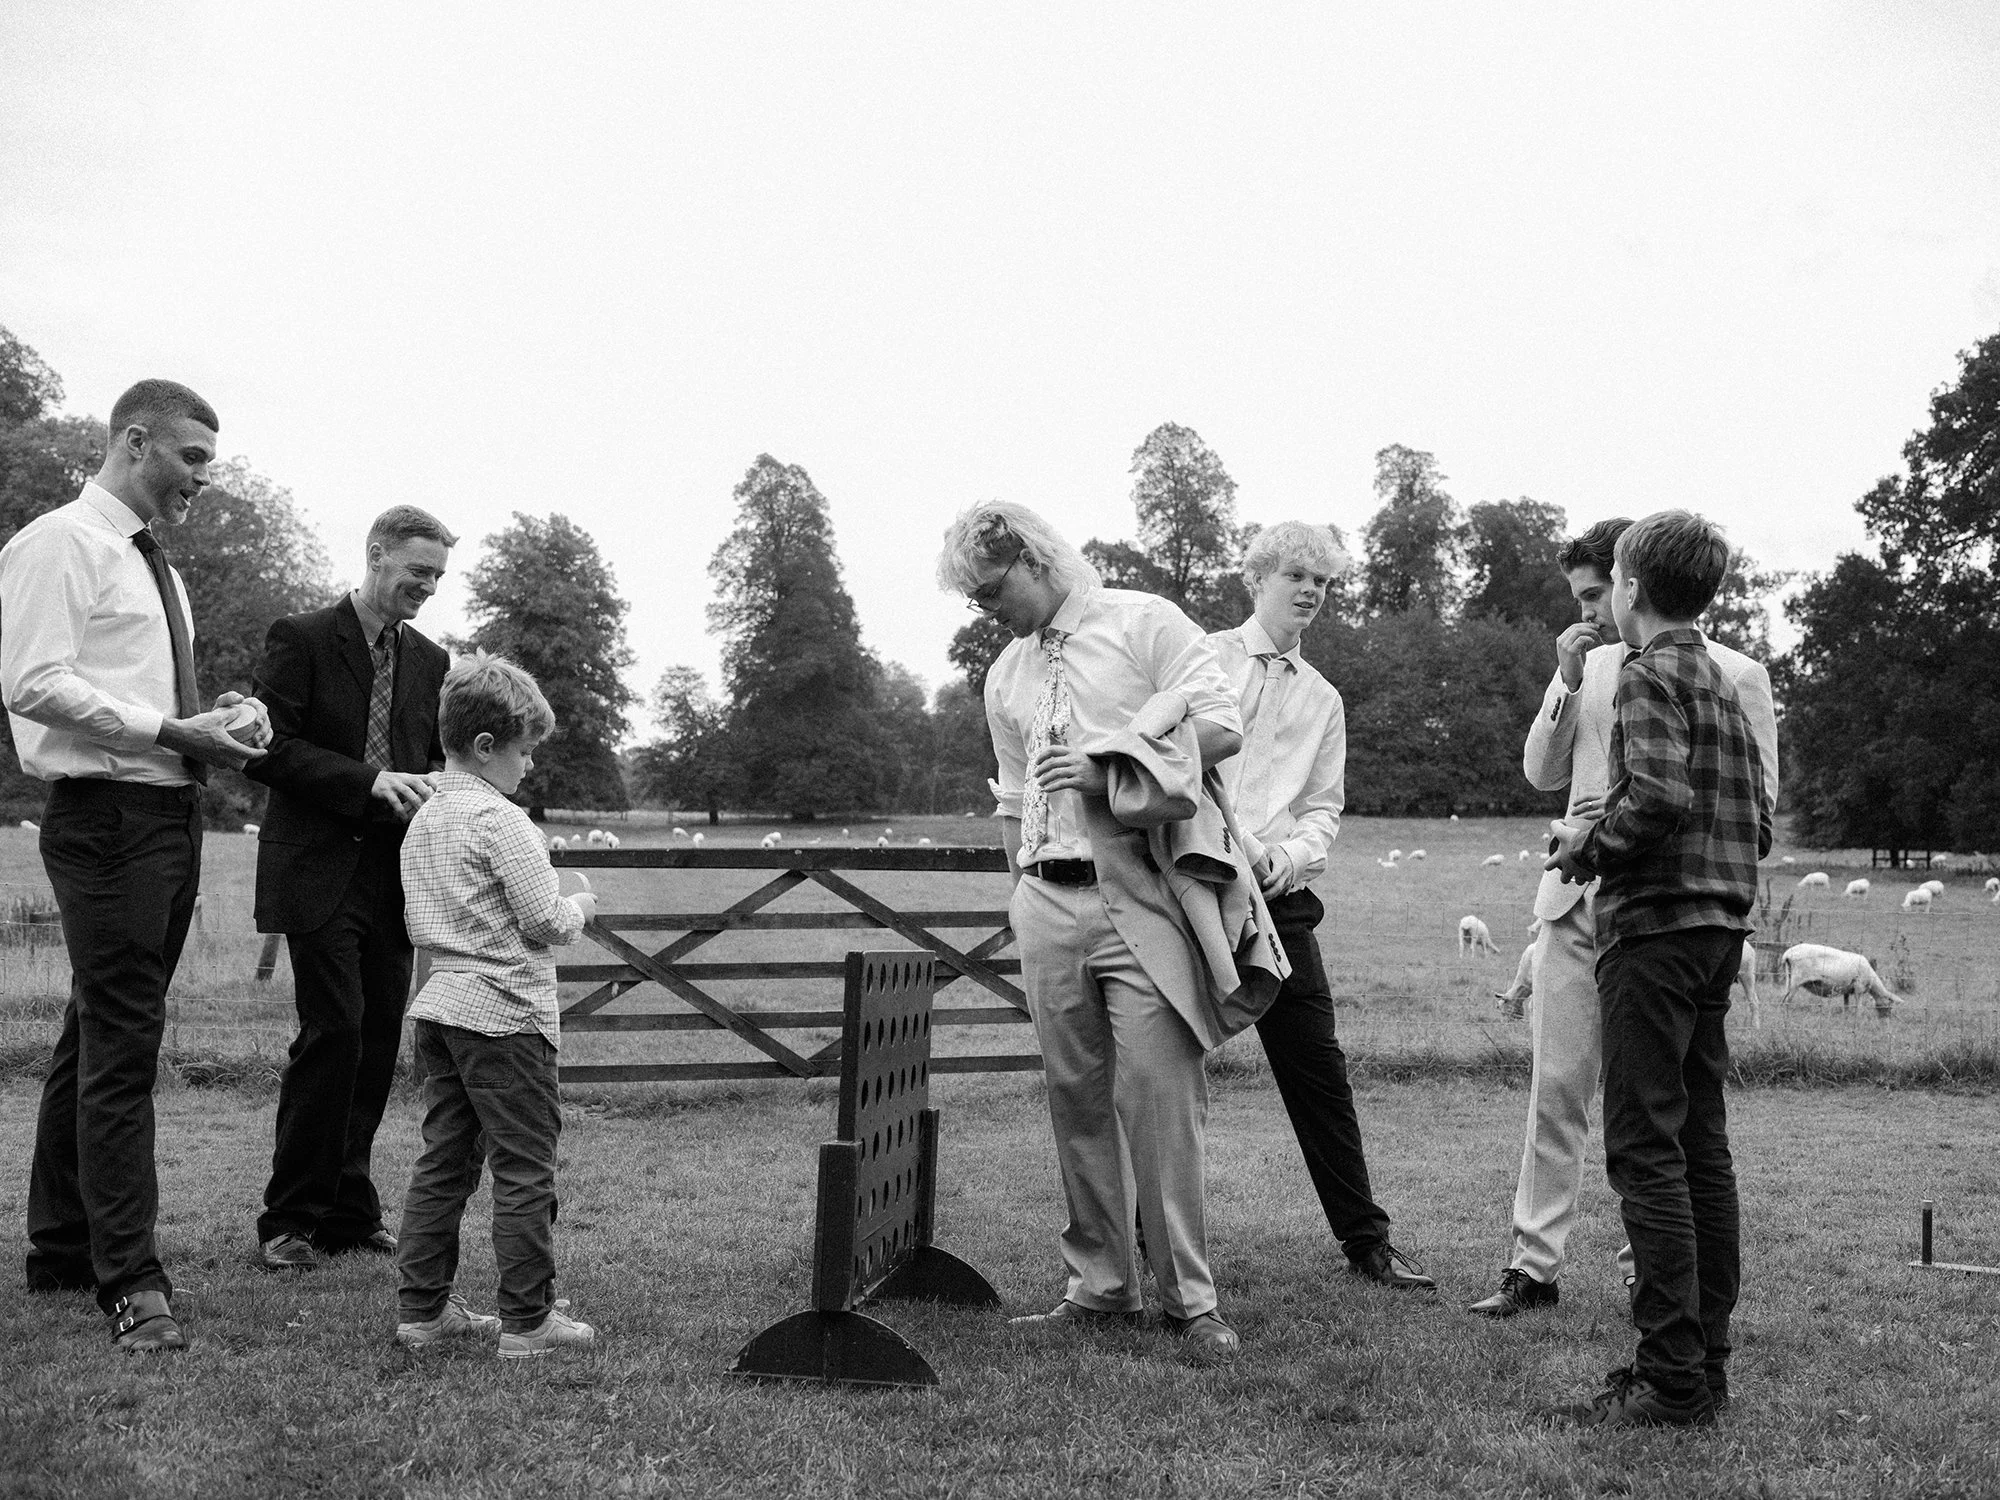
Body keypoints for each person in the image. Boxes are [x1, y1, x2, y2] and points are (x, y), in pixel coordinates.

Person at [938, 501, 1248, 1364]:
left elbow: (1223, 721)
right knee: (1075, 1101)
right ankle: (1103, 1288)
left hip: (1139, 890)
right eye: (974, 601)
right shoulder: (1005, 674)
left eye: (993, 591)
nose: (987, 611)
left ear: (1037, 558)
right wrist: (1020, 895)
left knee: (1159, 1098)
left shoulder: (1143, 622)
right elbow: (1010, 799)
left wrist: (1113, 763)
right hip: (1045, 900)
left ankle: (1192, 1302)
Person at [2, 379, 272, 1353]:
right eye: (193, 457)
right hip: (104, 822)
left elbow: (140, 694)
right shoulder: (57, 545)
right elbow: (31, 682)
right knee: (123, 1044)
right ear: (133, 440)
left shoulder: (153, 565)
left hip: (167, 813)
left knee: (93, 1032)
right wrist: (167, 727)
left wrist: (220, 724)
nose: (204, 477)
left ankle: (62, 1247)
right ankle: (131, 1279)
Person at [1469, 518, 1776, 1323]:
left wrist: (1613, 843)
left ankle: (1660, 1266)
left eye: (1599, 593)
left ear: (1631, 580)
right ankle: (1532, 1265)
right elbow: (1540, 773)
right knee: (1557, 1089)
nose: (1593, 612)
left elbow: (1755, 811)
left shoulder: (1735, 672)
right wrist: (1563, 683)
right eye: (1579, 600)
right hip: (1574, 909)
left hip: (1666, 908)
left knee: (1663, 1110)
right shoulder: (1588, 665)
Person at [1545, 510, 1772, 1427]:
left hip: (1654, 935)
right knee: (1700, 1144)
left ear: (1631, 588)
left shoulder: (1646, 675)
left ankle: (1670, 1374)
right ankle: (1705, 1360)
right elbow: (1757, 823)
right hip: (1719, 932)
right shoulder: (1721, 681)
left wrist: (1583, 843)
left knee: (1645, 1148)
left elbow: (1662, 797)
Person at [1206, 521, 1435, 1290]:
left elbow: (1323, 810)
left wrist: (1287, 858)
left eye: (1326, 581)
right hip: (1192, 893)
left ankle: (1368, 1245)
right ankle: (1150, 1246)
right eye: (1297, 575)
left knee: (1319, 1074)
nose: (1312, 591)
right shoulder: (1203, 661)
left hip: (1282, 902)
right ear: (1257, 577)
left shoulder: (1323, 697)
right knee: (1162, 1071)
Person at [246, 506, 455, 1270]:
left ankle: (346, 1209)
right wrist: (370, 782)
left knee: (374, 1044)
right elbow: (267, 752)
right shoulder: (298, 638)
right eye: (417, 571)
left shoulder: (432, 661)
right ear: (375, 555)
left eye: (437, 575)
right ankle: (289, 1219)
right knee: (333, 1032)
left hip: (391, 881)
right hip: (315, 870)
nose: (427, 586)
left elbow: (434, 760)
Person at [392, 652, 597, 1357]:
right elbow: (542, 921)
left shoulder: (423, 820)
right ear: (486, 747)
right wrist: (578, 907)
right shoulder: (502, 821)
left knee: (444, 1160)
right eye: (525, 750)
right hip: (507, 1014)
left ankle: (423, 1313)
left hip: (441, 1007)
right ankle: (529, 1321)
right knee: (523, 1166)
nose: (530, 766)